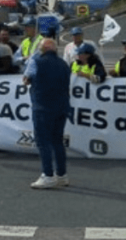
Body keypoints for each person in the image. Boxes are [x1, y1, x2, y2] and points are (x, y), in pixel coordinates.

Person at [23, 39, 71, 189]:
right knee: (57, 141)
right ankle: (62, 175)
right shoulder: (64, 64)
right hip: (62, 106)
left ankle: (48, 175)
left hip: (43, 105)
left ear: (41, 49)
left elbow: (26, 80)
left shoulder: (36, 61)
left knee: (43, 141)